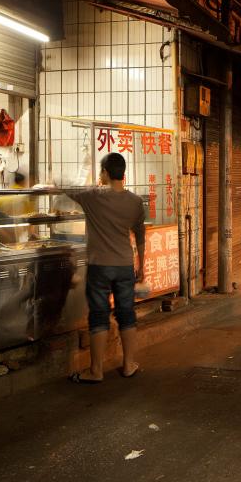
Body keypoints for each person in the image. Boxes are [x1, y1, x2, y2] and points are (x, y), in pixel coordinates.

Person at [62, 153, 146, 383]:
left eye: (101, 171)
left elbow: (64, 188)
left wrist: (47, 183)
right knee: (126, 313)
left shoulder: (93, 196)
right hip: (124, 265)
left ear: (106, 173)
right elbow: (140, 234)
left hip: (99, 265)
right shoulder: (135, 202)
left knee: (99, 316)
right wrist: (142, 265)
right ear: (123, 173)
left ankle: (96, 371)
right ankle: (129, 364)